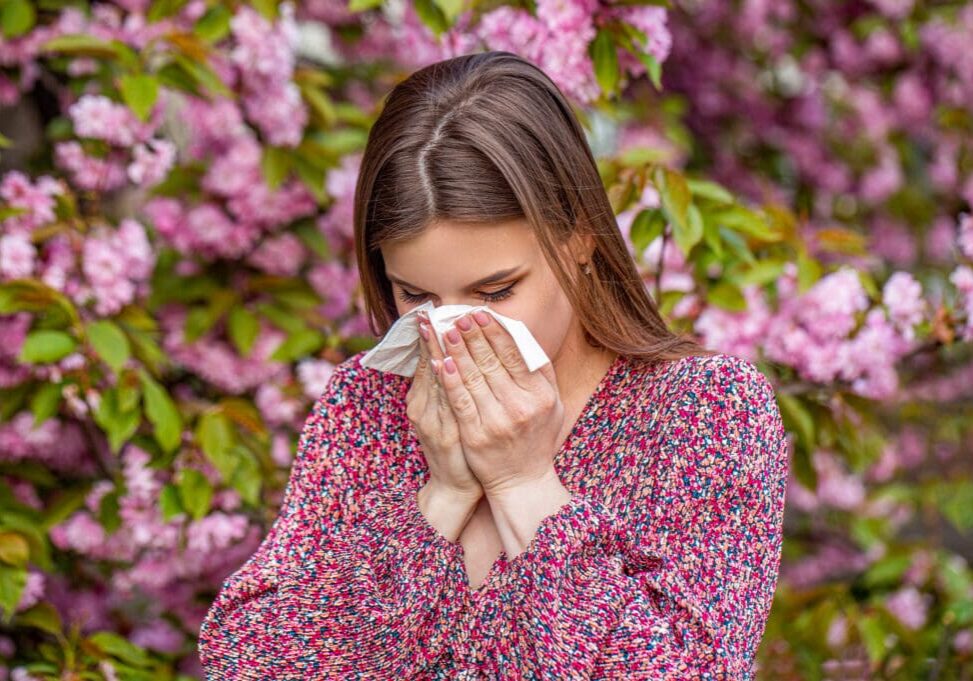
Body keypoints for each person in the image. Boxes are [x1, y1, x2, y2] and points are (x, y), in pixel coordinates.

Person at [197, 50, 789, 679]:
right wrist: (440, 501)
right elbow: (246, 660)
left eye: (496, 291)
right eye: (417, 296)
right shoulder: (369, 406)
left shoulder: (705, 412)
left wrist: (525, 485)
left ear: (579, 237)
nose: (455, 330)